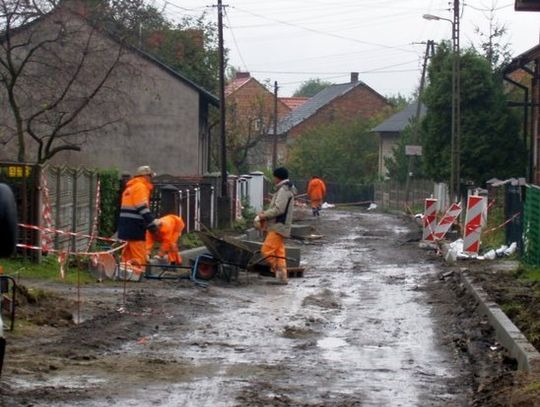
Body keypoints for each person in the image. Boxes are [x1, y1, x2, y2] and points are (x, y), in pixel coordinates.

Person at [117, 165, 157, 278]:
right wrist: (151, 223)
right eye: (150, 176)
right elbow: (142, 207)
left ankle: (124, 276)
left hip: (125, 225)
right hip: (136, 226)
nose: (151, 179)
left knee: (127, 254)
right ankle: (138, 275)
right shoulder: (141, 187)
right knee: (138, 254)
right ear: (146, 176)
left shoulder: (130, 187)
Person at [258, 167, 295, 285]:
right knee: (279, 253)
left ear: (278, 177)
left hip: (278, 225)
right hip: (279, 225)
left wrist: (264, 216)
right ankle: (282, 278)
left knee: (266, 250)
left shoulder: (284, 190)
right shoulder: (285, 189)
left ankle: (277, 271)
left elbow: (279, 209)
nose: (273, 179)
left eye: (274, 177)